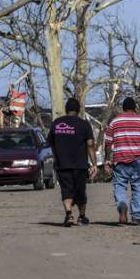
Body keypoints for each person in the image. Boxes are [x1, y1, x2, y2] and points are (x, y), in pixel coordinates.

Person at [103, 96, 140, 225]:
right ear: (135, 108)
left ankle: (122, 205)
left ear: (123, 108)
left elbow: (108, 143)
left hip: (120, 161)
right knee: (138, 188)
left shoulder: (115, 122)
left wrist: (107, 160)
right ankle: (136, 216)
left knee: (119, 186)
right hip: (139, 160)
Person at [46, 97, 97, 227]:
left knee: (66, 190)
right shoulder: (84, 124)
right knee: (80, 191)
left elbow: (50, 143)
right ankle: (82, 217)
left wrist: (58, 154)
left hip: (63, 164)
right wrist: (94, 164)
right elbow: (90, 145)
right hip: (80, 164)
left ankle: (69, 214)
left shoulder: (56, 123)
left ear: (66, 109)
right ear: (78, 110)